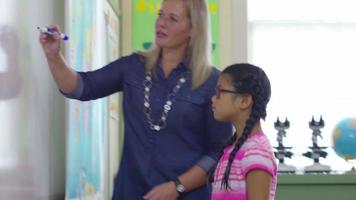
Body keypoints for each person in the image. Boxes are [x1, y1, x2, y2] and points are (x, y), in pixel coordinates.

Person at [39, 0, 232, 199]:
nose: (161, 23)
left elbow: (220, 151)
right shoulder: (133, 66)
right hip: (131, 192)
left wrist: (177, 187)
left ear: (193, 28)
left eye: (172, 19)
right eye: (160, 14)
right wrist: (53, 56)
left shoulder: (212, 82)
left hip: (186, 194)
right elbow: (81, 87)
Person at [211, 63, 277, 200]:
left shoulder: (256, 151)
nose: (213, 99)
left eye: (219, 92)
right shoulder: (231, 149)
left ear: (244, 101)